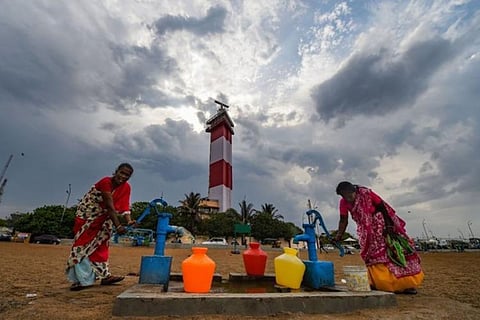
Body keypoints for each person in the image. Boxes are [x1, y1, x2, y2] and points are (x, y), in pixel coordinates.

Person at [334, 181, 424, 294]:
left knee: (392, 252)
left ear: (354, 191)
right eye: (344, 197)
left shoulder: (366, 193)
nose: (348, 199)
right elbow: (343, 220)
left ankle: (405, 285)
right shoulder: (344, 202)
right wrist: (339, 235)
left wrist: (389, 226)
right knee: (371, 256)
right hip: (365, 230)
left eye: (349, 196)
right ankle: (378, 283)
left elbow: (383, 207)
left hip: (381, 225)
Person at [66, 163, 136, 291]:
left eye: (127, 175)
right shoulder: (105, 182)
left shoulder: (126, 187)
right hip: (88, 217)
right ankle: (82, 280)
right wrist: (118, 226)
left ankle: (105, 276)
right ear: (116, 171)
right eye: (121, 173)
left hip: (105, 219)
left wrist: (129, 221)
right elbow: (110, 206)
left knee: (101, 246)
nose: (123, 176)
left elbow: (125, 206)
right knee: (83, 245)